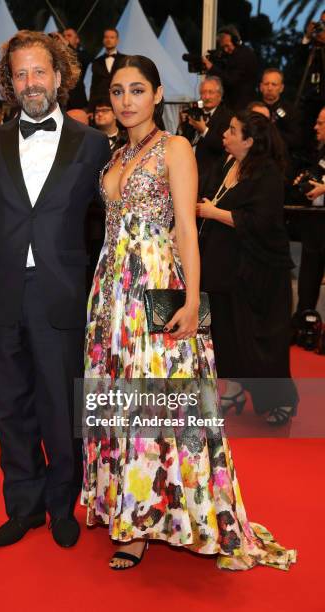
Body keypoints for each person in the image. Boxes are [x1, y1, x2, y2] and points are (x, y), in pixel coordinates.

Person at [82, 55, 296, 572]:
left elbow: (186, 230)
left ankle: (151, 521)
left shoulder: (176, 148)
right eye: (117, 91)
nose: (126, 100)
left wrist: (193, 300)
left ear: (158, 96)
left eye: (137, 89)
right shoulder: (114, 154)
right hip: (112, 293)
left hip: (161, 285)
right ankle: (124, 509)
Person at [0, 31, 110, 549]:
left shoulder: (93, 145)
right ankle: (23, 506)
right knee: (11, 405)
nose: (30, 83)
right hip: (0, 295)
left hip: (62, 293)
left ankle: (60, 503)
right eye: (20, 74)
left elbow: (114, 219)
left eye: (39, 72)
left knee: (60, 405)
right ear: (9, 82)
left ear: (60, 76)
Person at [197, 111, 299, 425]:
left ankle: (279, 400)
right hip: (224, 268)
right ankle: (236, 390)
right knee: (227, 336)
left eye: (232, 130)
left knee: (260, 341)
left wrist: (213, 213)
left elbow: (260, 222)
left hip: (260, 272)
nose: (224, 134)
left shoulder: (267, 173)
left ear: (249, 141)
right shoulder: (226, 163)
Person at [293, 107, 325, 326]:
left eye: (321, 123)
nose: (316, 127)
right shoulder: (319, 151)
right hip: (315, 220)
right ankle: (303, 321)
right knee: (308, 276)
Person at [178, 76, 232, 197]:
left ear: (220, 95)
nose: (206, 97)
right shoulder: (196, 113)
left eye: (210, 92)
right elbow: (183, 140)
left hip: (211, 175)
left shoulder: (227, 116)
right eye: (203, 93)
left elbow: (222, 145)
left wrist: (204, 130)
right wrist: (182, 124)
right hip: (187, 169)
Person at [203, 27, 258, 112]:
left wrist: (211, 67)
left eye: (227, 46)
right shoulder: (238, 54)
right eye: (223, 47)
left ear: (236, 41)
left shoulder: (242, 55)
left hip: (240, 106)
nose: (225, 50)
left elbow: (231, 79)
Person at [89, 29, 125, 106]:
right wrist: (91, 108)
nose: (108, 40)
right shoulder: (96, 62)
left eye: (112, 37)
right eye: (106, 37)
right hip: (101, 104)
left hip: (121, 101)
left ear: (117, 40)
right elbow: (94, 87)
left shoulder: (125, 60)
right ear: (103, 40)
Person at [62, 28, 90, 110]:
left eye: (69, 35)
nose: (65, 38)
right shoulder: (57, 55)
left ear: (77, 40)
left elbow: (82, 60)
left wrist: (67, 45)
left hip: (77, 98)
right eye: (63, 36)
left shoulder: (82, 54)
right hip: (61, 98)